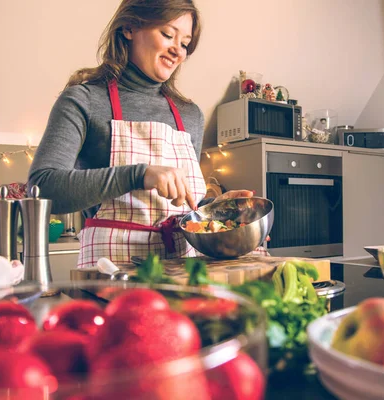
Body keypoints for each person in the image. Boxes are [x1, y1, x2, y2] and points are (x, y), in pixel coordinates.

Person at [29, 0, 253, 268]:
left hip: (182, 274)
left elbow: (182, 208)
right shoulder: (83, 100)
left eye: (184, 43)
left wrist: (215, 208)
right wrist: (139, 174)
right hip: (112, 273)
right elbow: (41, 189)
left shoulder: (190, 114)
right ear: (129, 27)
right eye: (168, 35)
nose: (177, 51)